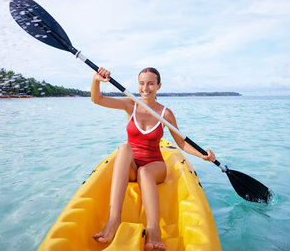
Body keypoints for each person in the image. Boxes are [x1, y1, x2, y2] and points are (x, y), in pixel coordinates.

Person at [91, 67, 216, 251]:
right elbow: (97, 99)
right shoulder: (130, 104)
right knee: (124, 148)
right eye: (142, 83)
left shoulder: (165, 113)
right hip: (132, 167)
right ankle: (113, 220)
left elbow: (181, 143)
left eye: (150, 83)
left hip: (155, 167)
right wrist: (96, 80)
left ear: (159, 86)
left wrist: (203, 155)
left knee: (145, 171)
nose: (145, 88)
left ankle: (153, 230)